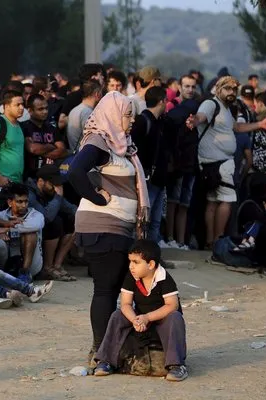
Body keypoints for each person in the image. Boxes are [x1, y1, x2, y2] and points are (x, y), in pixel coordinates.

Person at [68, 91, 151, 355]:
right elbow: (74, 172)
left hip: (119, 228)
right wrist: (96, 197)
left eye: (132, 115)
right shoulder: (98, 141)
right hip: (102, 227)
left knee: (115, 288)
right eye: (127, 115)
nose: (132, 120)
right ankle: (101, 350)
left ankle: (107, 347)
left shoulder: (123, 144)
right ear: (113, 115)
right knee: (106, 289)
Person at [186, 76, 266, 249]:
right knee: (228, 199)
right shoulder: (211, 104)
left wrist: (260, 124)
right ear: (218, 89)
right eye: (227, 89)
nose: (231, 92)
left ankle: (211, 242)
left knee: (213, 201)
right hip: (218, 162)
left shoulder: (227, 109)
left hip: (217, 162)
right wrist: (194, 121)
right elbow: (200, 116)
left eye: (234, 89)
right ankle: (218, 239)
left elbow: (236, 128)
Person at [93, 239, 188, 382]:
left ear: (151, 264)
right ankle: (105, 361)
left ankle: (176, 366)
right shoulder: (132, 277)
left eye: (136, 262)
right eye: (130, 261)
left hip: (161, 324)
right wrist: (135, 319)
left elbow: (171, 305)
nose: (131, 266)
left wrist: (147, 317)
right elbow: (126, 303)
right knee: (117, 315)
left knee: (175, 317)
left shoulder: (164, 278)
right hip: (140, 323)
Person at [164, 75, 199, 250]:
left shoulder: (197, 108)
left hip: (190, 162)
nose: (190, 90)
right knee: (173, 202)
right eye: (186, 86)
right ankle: (170, 237)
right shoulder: (172, 107)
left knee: (184, 203)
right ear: (179, 86)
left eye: (193, 86)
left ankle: (180, 241)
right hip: (176, 162)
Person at [130, 86, 168, 246]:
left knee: (155, 221)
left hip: (158, 180)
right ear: (162, 101)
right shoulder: (142, 121)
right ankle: (139, 252)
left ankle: (153, 254)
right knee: (143, 218)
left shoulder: (160, 122)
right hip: (146, 179)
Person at [27, 165, 78, 281]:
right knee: (55, 223)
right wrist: (58, 197)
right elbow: (47, 218)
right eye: (53, 184)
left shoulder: (50, 192)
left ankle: (57, 266)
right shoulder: (30, 194)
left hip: (44, 229)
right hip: (31, 231)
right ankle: (47, 267)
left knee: (76, 221)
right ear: (41, 181)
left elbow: (71, 209)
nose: (56, 188)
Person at [0, 184, 45, 282]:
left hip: (32, 267)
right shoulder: (0, 216)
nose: (24, 205)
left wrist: (6, 229)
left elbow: (34, 226)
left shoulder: (36, 215)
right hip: (8, 264)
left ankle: (24, 273)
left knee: (30, 233)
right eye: (19, 202)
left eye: (26, 201)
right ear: (10, 202)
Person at [21, 94, 68, 181]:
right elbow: (33, 149)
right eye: (40, 109)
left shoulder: (52, 128)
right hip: (31, 177)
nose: (45, 111)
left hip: (52, 176)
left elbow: (62, 151)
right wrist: (51, 146)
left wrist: (40, 150)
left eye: (46, 108)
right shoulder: (24, 127)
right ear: (30, 110)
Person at [67, 80, 103, 153]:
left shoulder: (74, 110)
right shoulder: (88, 113)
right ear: (97, 94)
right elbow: (95, 139)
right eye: (101, 93)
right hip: (83, 155)